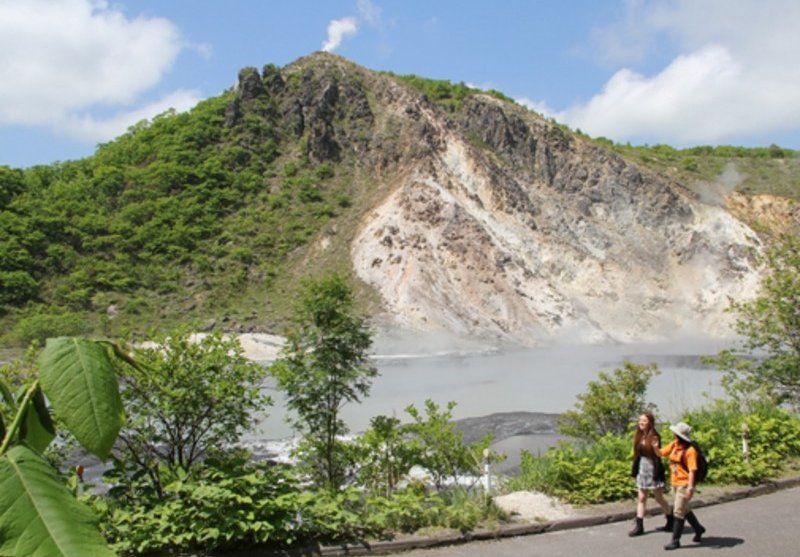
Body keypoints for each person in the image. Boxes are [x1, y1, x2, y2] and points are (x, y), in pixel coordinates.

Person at [660, 422, 706, 550]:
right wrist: (653, 447)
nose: (673, 435)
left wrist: (690, 487)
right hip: (675, 482)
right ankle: (698, 529)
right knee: (684, 509)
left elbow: (692, 470)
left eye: (675, 433)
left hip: (684, 484)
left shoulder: (690, 451)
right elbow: (661, 453)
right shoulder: (675, 445)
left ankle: (675, 541)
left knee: (678, 511)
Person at [628, 412, 672, 536]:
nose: (641, 423)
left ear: (650, 423)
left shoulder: (654, 436)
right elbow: (637, 455)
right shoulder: (639, 435)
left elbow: (658, 455)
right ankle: (639, 526)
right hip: (642, 469)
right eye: (640, 420)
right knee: (641, 498)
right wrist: (635, 471)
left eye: (644, 421)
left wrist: (656, 447)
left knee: (659, 498)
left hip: (652, 469)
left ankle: (670, 517)